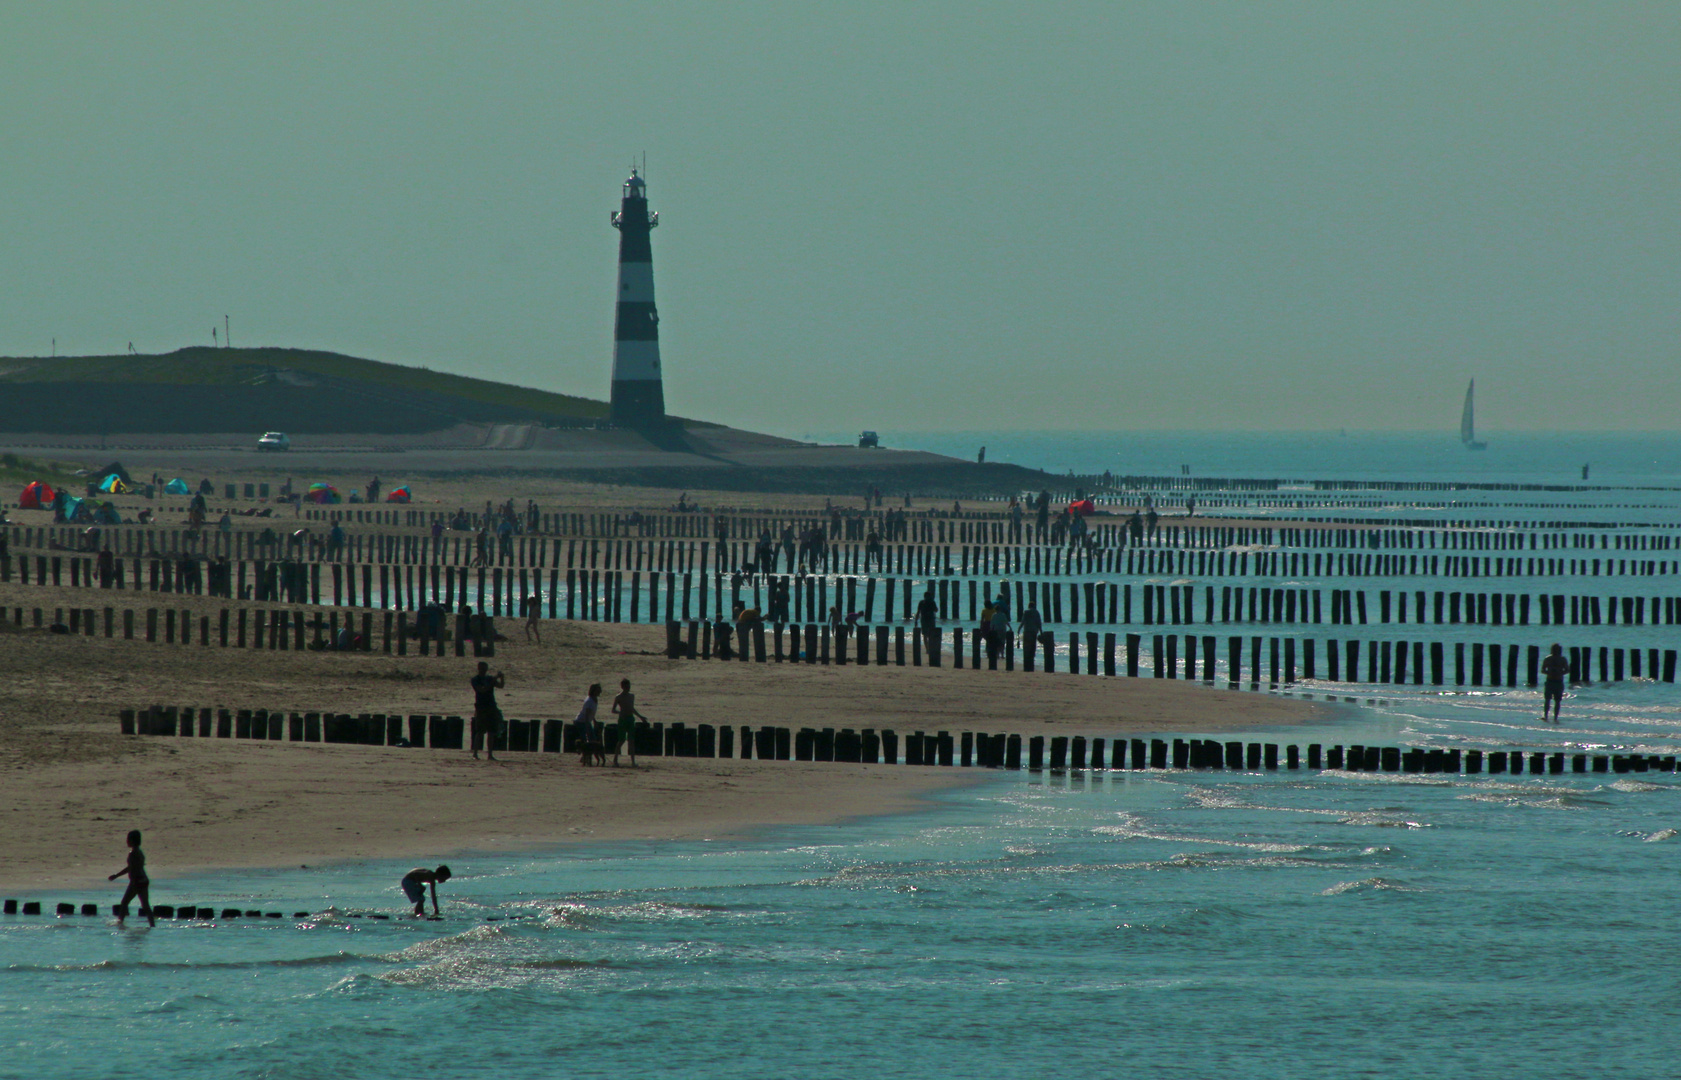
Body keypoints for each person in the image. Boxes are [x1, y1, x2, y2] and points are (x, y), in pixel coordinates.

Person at [108, 829, 154, 927]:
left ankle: (119, 923)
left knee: (124, 902)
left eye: (128, 839)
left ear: (132, 840)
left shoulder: (133, 853)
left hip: (136, 881)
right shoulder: (139, 852)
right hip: (144, 880)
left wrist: (116, 875)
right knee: (146, 906)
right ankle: (152, 925)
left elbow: (131, 868)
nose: (127, 841)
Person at [470, 661, 505, 760]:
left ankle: (490, 754)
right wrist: (494, 679)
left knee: (491, 731)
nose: (483, 670)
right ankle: (475, 753)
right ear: (478, 668)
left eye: (485, 668)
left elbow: (501, 686)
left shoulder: (489, 678)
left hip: (491, 706)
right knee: (480, 731)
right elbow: (482, 690)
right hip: (481, 707)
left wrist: (502, 678)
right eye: (482, 668)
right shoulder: (475, 680)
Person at [610, 678, 645, 767]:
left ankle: (633, 762)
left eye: (629, 685)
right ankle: (615, 759)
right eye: (626, 686)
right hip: (622, 720)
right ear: (622, 687)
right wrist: (619, 712)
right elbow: (613, 710)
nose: (628, 687)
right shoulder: (618, 697)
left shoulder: (631, 696)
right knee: (621, 740)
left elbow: (631, 708)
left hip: (630, 719)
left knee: (631, 741)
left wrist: (640, 717)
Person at [575, 684, 604, 765]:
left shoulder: (595, 700)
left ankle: (584, 758)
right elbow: (587, 714)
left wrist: (594, 721)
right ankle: (584, 758)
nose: (599, 692)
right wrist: (588, 726)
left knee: (593, 739)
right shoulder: (589, 701)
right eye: (598, 690)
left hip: (587, 721)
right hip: (581, 721)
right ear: (594, 691)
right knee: (586, 740)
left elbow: (592, 713)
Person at [1541, 643, 1569, 722]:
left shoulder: (1563, 659)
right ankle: (1545, 715)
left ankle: (1555, 717)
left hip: (1559, 681)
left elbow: (1567, 670)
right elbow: (1543, 670)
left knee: (1557, 700)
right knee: (1547, 699)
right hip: (1550, 680)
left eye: (1557, 649)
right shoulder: (1548, 658)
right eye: (1555, 649)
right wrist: (1550, 672)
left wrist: (1559, 672)